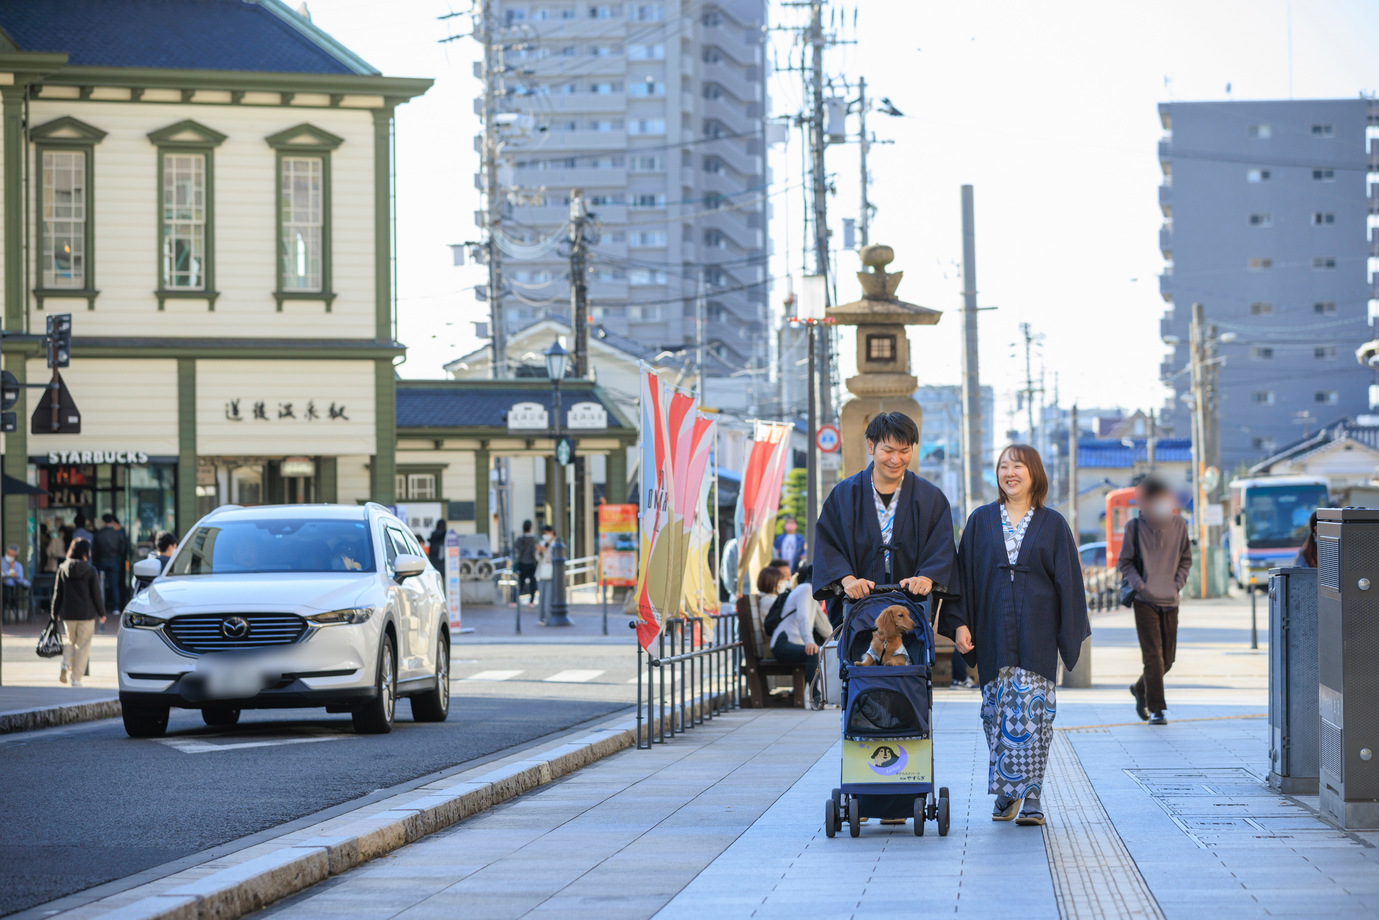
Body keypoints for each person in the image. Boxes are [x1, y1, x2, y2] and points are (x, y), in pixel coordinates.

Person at [812, 411, 957, 825]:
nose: (896, 458)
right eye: (888, 449)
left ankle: (903, 787)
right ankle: (871, 787)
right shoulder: (844, 496)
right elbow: (828, 545)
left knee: (909, 689)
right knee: (865, 685)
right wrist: (846, 578)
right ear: (870, 448)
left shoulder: (930, 498)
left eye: (905, 450)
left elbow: (943, 547)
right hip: (863, 618)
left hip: (910, 616)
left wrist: (927, 576)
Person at [941, 444, 1090, 828]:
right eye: (1004, 466)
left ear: (1034, 473)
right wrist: (959, 624)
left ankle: (1032, 797)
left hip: (1038, 632)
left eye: (1018, 465)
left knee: (1035, 717)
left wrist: (1067, 634)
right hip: (991, 628)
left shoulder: (1053, 524)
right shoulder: (980, 521)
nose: (1010, 472)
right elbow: (963, 577)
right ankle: (1007, 792)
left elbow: (1069, 582)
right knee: (996, 712)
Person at [1118, 476, 1192, 727]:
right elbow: (1125, 562)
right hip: (1144, 601)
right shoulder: (1134, 527)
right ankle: (1157, 709)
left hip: (1170, 599)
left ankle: (1140, 689)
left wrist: (1177, 584)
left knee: (1167, 660)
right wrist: (1141, 585)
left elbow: (1185, 559)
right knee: (1153, 657)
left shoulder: (1180, 525)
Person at [53, 537, 107, 688]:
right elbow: (96, 594)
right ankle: (76, 679)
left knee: (70, 641)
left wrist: (54, 612)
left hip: (68, 613)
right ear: (85, 553)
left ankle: (65, 663)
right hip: (86, 614)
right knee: (83, 646)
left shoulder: (63, 568)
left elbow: (58, 592)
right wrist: (102, 613)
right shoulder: (90, 570)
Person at [765, 562, 826, 685]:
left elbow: (823, 625)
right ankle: (816, 697)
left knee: (823, 651)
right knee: (814, 653)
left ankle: (821, 695)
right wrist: (809, 640)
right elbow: (803, 616)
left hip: (793, 642)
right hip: (782, 643)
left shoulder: (811, 592)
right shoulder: (805, 589)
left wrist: (838, 640)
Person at [92, 513, 129, 626]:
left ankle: (102, 607)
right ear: (111, 521)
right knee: (114, 585)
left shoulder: (99, 534)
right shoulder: (117, 534)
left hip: (101, 561)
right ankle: (116, 607)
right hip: (114, 561)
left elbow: (94, 550)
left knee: (100, 585)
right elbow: (123, 548)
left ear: (103, 522)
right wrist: (117, 556)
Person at [513, 520, 539, 604]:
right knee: (533, 583)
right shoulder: (534, 539)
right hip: (532, 564)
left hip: (522, 563)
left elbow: (516, 549)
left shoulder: (519, 539)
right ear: (531, 528)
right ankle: (531, 601)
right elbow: (536, 551)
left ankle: (515, 600)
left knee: (521, 582)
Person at [535, 524, 555, 624]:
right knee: (541, 596)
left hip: (551, 573)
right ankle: (541, 617)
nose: (545, 535)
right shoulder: (542, 542)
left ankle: (548, 617)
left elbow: (553, 558)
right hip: (542, 572)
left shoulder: (555, 543)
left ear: (551, 532)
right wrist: (540, 552)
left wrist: (546, 551)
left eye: (546, 533)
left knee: (548, 596)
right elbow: (537, 558)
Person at [3, 543, 29, 615]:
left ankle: (11, 604)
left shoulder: (18, 566)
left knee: (6, 592)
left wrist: (12, 572)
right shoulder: (1, 562)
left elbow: (20, 580)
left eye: (12, 555)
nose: (10, 556)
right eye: (8, 553)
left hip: (11, 588)